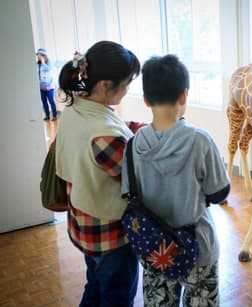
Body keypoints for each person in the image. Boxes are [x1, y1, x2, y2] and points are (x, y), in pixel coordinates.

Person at [122, 54, 230, 306]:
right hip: (198, 248)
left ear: (147, 99)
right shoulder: (200, 141)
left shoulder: (133, 145)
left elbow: (129, 195)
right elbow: (219, 193)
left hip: (156, 250)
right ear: (184, 95)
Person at [55, 41, 144, 307]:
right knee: (116, 296)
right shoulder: (104, 136)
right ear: (105, 85)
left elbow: (116, 124)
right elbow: (137, 182)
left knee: (95, 286)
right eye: (126, 83)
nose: (128, 89)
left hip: (83, 221)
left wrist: (146, 128)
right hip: (111, 236)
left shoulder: (76, 107)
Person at [36, 48, 57, 121]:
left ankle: (54, 116)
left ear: (43, 55)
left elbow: (48, 69)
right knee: (44, 102)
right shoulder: (37, 64)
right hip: (41, 87)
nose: (37, 57)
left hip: (49, 87)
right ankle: (47, 115)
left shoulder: (48, 62)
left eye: (38, 55)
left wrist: (43, 62)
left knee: (51, 101)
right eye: (37, 55)